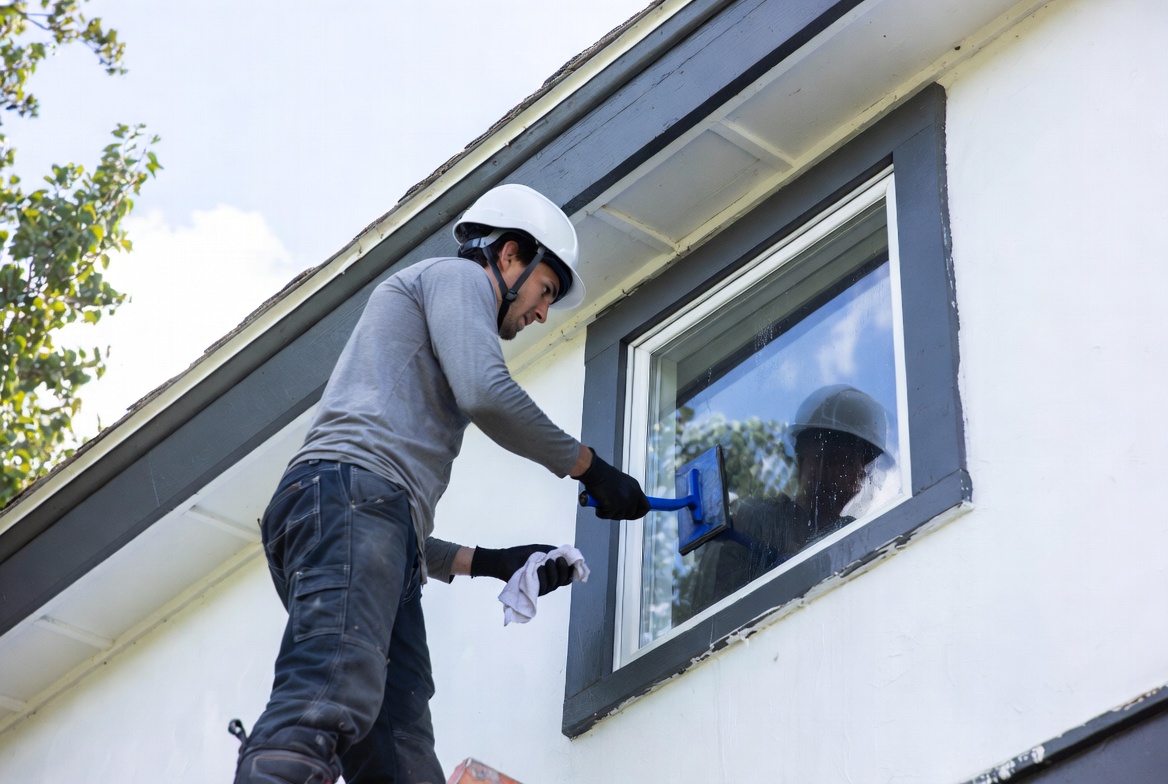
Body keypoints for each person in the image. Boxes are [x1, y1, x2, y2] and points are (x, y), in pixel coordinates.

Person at [234, 183, 651, 784]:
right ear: (509, 255)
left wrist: (494, 562)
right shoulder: (455, 280)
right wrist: (591, 467)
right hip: (348, 502)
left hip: (358, 516)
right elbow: (486, 393)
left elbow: (384, 531)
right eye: (545, 291)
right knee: (328, 690)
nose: (540, 313)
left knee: (398, 743)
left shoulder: (381, 469)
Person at [687, 385, 889, 615]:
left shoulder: (855, 536)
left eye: (850, 464)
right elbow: (712, 617)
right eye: (827, 457)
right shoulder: (752, 519)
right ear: (802, 456)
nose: (835, 473)